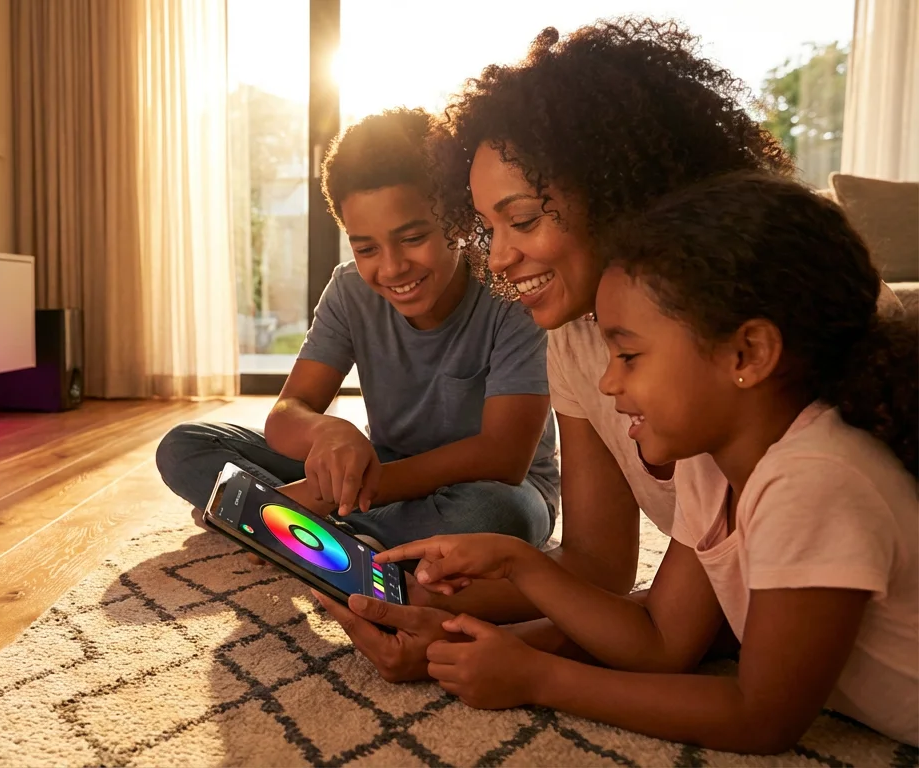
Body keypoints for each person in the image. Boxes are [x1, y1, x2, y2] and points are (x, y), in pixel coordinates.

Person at [312, 18, 799, 682]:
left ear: (616, 194)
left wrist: (513, 655)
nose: (500, 257)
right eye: (485, 226)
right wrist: (454, 629)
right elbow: (599, 571)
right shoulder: (570, 337)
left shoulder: (732, 354)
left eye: (523, 220)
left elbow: (681, 638)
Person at [373, 172, 918, 751]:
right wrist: (517, 565)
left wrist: (540, 678)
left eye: (629, 354)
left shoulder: (815, 478)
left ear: (747, 352)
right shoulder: (714, 466)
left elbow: (760, 717)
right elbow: (662, 640)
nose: (607, 382)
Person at [155, 107, 560, 553]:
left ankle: (279, 523)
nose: (392, 267)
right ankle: (342, 537)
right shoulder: (349, 289)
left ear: (460, 221)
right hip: (378, 470)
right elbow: (288, 412)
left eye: (412, 238)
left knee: (496, 517)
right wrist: (328, 432)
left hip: (493, 486)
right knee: (185, 445)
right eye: (366, 247)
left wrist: (319, 496)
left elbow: (503, 455)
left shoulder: (511, 290)